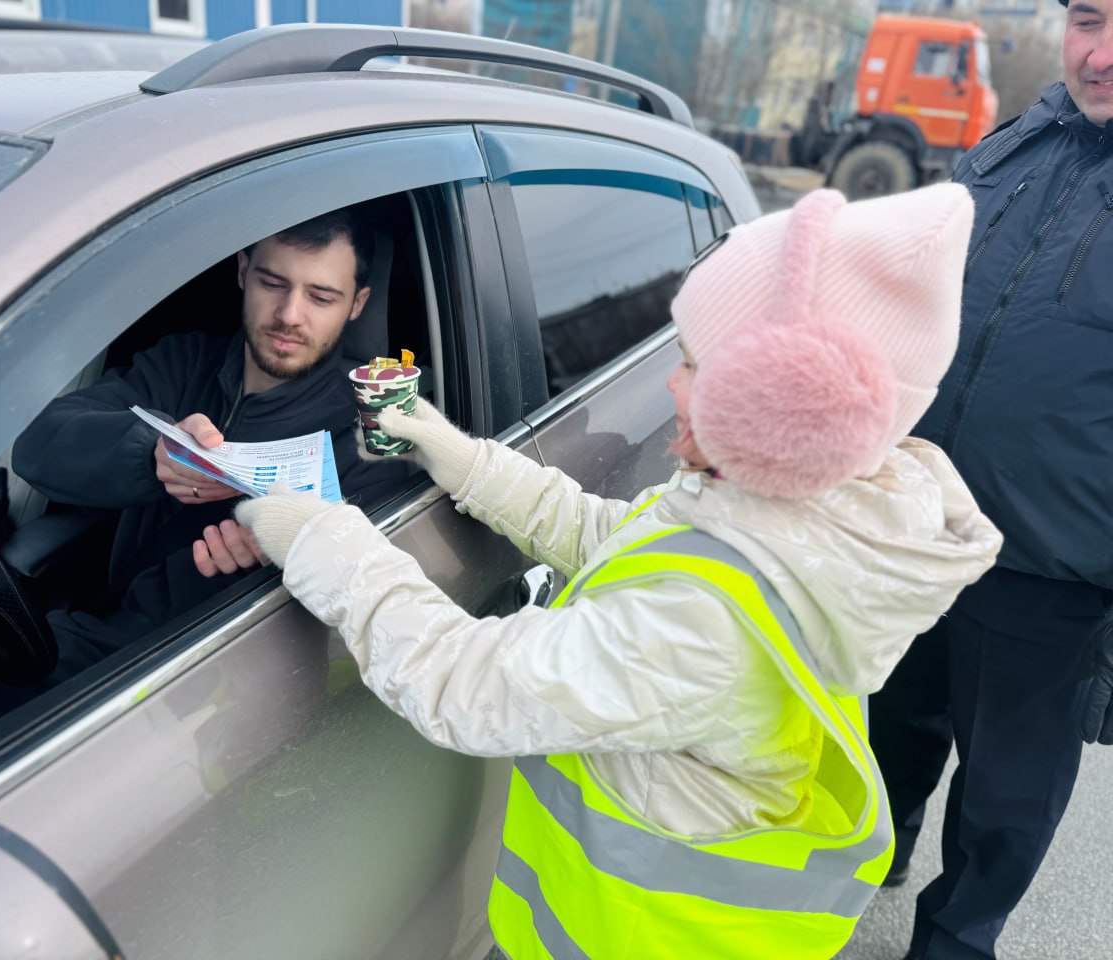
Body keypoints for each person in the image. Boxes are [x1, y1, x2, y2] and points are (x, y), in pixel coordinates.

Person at [221, 185, 1002, 959]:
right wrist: (456, 455)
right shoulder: (789, 518)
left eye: (696, 366)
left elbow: (464, 684)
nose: (671, 382)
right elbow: (615, 539)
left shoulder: (707, 628)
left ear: (781, 406)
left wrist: (323, 536)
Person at [865, 3, 1113, 957]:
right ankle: (876, 853)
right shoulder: (1014, 144)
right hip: (920, 518)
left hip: (1054, 561)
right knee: (893, 717)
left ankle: (957, 940)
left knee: (1009, 789)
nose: (1098, 55)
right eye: (1086, 20)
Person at [13, 207, 406, 673]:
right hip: (79, 629)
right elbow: (38, 442)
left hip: (193, 671)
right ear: (242, 270)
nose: (289, 315)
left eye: (321, 297)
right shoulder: (184, 361)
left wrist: (272, 563)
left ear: (357, 305)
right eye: (273, 283)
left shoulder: (371, 428)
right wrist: (149, 452)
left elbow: (362, 601)